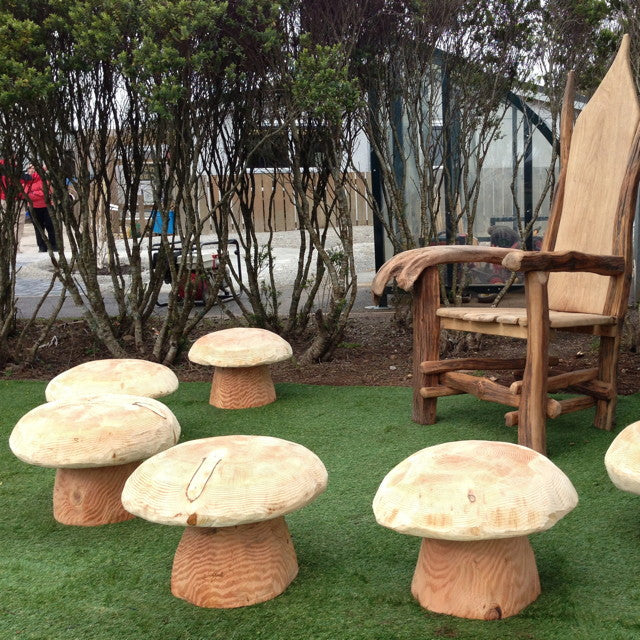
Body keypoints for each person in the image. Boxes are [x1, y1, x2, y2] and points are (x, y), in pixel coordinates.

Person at [23, 163, 57, 252]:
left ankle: (54, 246)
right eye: (29, 168)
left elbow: (46, 192)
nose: (31, 170)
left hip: (47, 206)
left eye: (33, 168)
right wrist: (37, 194)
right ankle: (42, 247)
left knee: (51, 226)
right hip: (33, 207)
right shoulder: (26, 181)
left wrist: (33, 193)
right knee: (38, 228)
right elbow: (26, 193)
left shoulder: (44, 178)